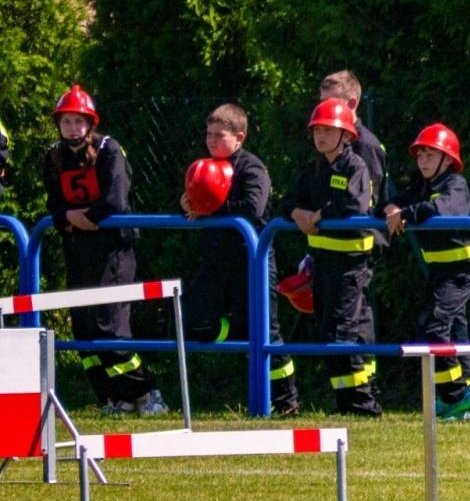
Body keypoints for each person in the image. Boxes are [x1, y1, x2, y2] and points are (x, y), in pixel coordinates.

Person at [43, 85, 164, 415]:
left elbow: (115, 203)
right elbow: (53, 205)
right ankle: (114, 397)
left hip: (112, 252)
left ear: (91, 123)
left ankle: (147, 393)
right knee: (83, 329)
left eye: (79, 122)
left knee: (109, 326)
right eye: (66, 122)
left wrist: (79, 220)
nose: (72, 129)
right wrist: (66, 218)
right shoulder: (54, 156)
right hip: (77, 250)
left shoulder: (110, 150)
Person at [180, 103, 298, 415]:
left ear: (240, 137)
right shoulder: (202, 166)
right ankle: (240, 332)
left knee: (267, 332)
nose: (212, 141)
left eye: (220, 135)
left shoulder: (252, 168)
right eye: (208, 135)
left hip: (253, 261)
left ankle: (287, 402)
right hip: (217, 263)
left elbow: (254, 208)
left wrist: (210, 209)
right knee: (194, 320)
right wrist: (187, 204)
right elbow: (194, 205)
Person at [282, 98, 380, 416]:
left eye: (328, 130)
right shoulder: (315, 169)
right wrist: (298, 212)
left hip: (350, 266)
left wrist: (319, 215)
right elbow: (287, 201)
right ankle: (347, 403)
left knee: (342, 333)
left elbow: (354, 206)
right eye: (317, 131)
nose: (320, 136)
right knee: (330, 332)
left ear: (346, 135)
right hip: (323, 265)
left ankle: (363, 404)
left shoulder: (355, 166)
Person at [385, 124, 470, 421]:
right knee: (454, 329)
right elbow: (398, 204)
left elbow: (442, 209)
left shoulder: (456, 184)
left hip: (461, 270)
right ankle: (465, 395)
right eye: (420, 154)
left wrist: (406, 214)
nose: (423, 160)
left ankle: (455, 395)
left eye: (430, 154)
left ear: (448, 159)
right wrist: (391, 207)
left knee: (434, 326)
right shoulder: (423, 186)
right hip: (441, 269)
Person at [320, 70, 390, 243]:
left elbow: (365, 203)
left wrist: (322, 214)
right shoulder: (328, 140)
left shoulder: (366, 145)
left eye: (330, 102)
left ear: (352, 104)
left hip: (361, 249)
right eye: (321, 103)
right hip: (332, 245)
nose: (323, 110)